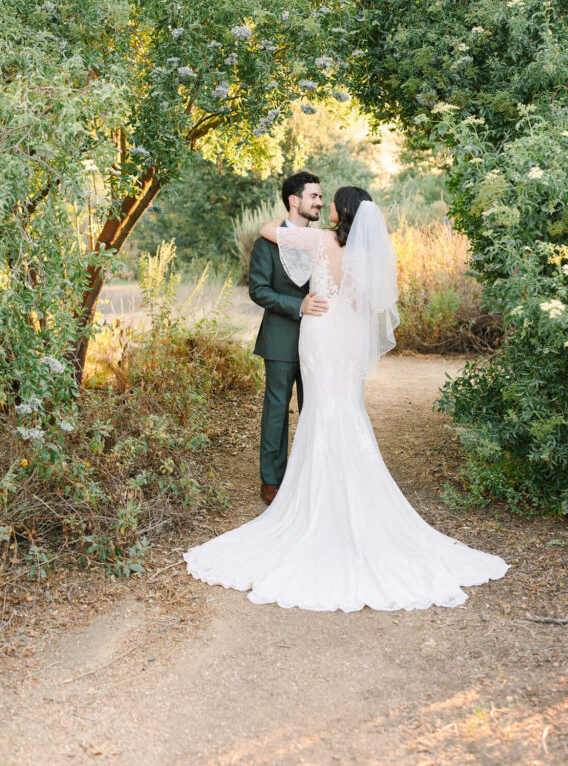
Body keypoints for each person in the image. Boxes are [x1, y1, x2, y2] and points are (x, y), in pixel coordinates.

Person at [185, 186, 509, 611]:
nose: (327, 206)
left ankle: (307, 496)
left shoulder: (320, 241)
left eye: (332, 201)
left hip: (318, 331)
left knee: (320, 409)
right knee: (344, 408)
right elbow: (363, 304)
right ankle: (347, 490)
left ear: (341, 210)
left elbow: (268, 230)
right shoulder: (366, 255)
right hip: (345, 336)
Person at [247, 171, 327, 506]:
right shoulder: (268, 240)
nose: (319, 202)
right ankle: (272, 479)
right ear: (294, 200)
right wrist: (299, 305)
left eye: (321, 197)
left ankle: (311, 475)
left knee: (315, 408)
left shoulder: (324, 240)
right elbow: (259, 290)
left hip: (320, 340)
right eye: (314, 197)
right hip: (280, 338)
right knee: (277, 410)